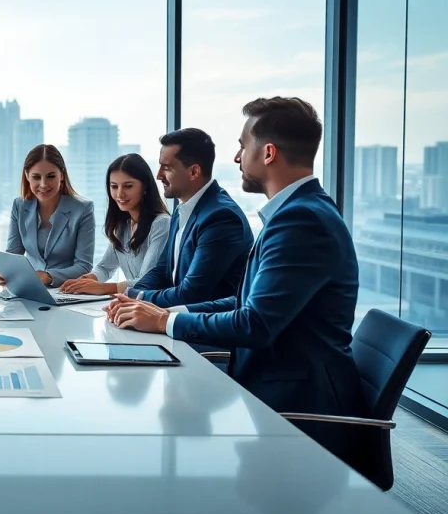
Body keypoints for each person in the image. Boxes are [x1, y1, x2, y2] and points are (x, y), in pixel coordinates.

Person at [109, 97, 363, 458]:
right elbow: (245, 302)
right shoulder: (295, 212)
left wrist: (166, 320)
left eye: (243, 146)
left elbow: (254, 323)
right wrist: (160, 316)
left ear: (269, 152)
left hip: (297, 405)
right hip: (268, 381)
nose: (237, 157)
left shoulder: (301, 221)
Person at [111, 128, 253, 308]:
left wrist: (137, 298)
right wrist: (130, 296)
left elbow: (192, 294)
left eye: (167, 168)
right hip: (175, 318)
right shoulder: (182, 210)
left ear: (194, 172)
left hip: (205, 327)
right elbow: (162, 271)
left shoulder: (221, 217)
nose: (158, 175)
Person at [59, 153, 170, 296]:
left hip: (154, 307)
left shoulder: (161, 224)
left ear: (145, 187)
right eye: (114, 186)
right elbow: (105, 267)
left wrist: (103, 288)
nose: (120, 194)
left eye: (128, 186)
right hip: (132, 304)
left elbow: (147, 281)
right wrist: (85, 281)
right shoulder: (123, 225)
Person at [0, 144, 95, 288]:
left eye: (50, 176)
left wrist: (49, 276)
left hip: (67, 290)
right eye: (36, 177)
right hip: (29, 289)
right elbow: (13, 255)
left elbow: (84, 266)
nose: (43, 184)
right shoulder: (19, 205)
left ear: (61, 175)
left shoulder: (83, 209)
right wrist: (4, 271)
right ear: (27, 176)